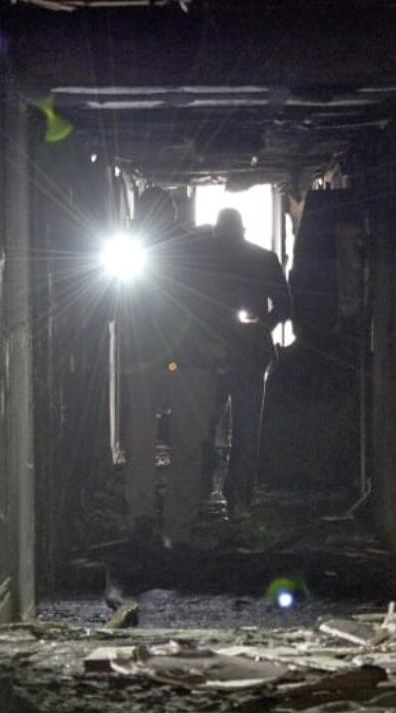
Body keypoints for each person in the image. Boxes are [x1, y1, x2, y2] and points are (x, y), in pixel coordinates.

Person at [115, 187, 224, 547]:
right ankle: (169, 523)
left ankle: (153, 518)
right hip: (179, 357)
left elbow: (124, 307)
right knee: (177, 441)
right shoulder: (191, 251)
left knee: (150, 437)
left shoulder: (138, 254)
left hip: (162, 356)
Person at [209, 207, 292, 517]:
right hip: (247, 354)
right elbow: (284, 306)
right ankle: (238, 498)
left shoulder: (208, 262)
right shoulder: (262, 259)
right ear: (243, 230)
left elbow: (192, 307)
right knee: (245, 428)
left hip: (215, 354)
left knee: (204, 424)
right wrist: (263, 325)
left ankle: (200, 491)